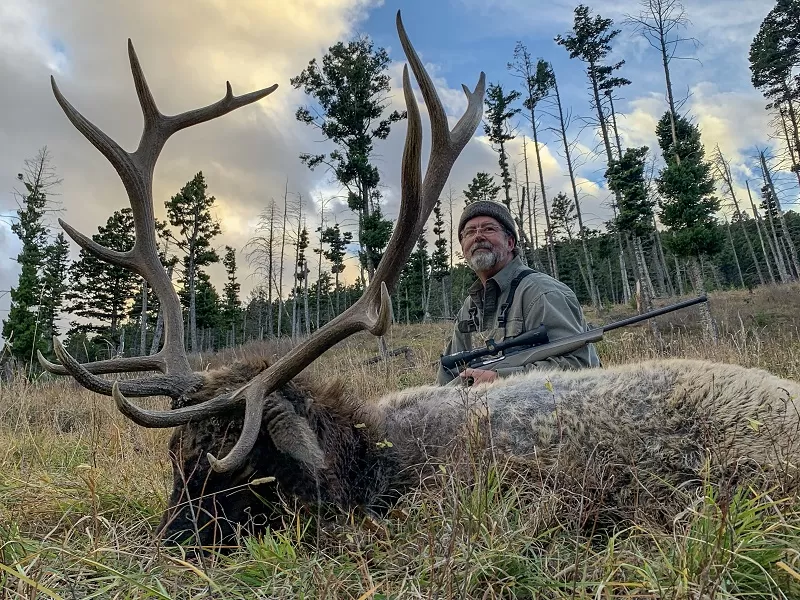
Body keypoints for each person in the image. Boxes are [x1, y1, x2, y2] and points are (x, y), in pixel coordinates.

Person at [437, 200, 600, 386]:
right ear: (463, 247)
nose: (478, 236)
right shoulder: (470, 306)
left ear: (510, 242)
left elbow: (580, 368)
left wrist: (500, 379)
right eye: (469, 232)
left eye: (489, 229)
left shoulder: (543, 293)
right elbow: (448, 374)